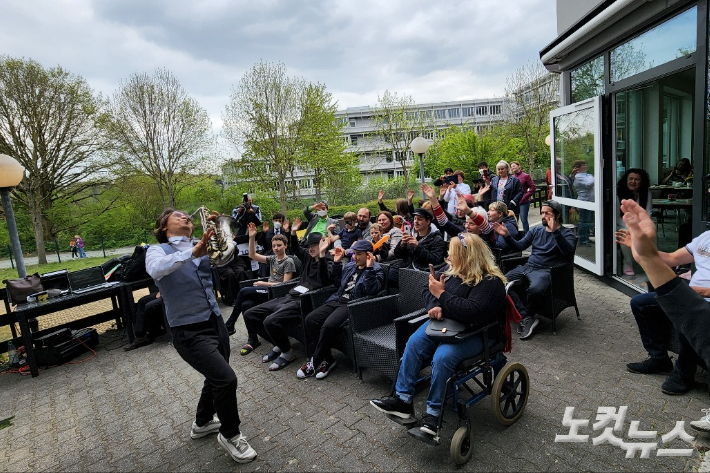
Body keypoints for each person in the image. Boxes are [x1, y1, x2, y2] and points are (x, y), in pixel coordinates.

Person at [145, 208, 257, 463]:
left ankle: (203, 422)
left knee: (217, 374)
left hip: (214, 321)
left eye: (187, 216)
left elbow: (229, 257)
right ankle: (230, 435)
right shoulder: (157, 251)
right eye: (177, 216)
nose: (185, 217)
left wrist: (219, 231)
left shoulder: (202, 245)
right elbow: (156, 271)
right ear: (164, 227)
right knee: (226, 379)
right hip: (187, 329)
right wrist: (192, 253)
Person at [370, 232, 506, 437]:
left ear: (466, 257)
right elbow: (428, 287)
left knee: (442, 357)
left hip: (476, 333)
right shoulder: (452, 272)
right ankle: (403, 400)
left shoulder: (491, 283)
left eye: (451, 254)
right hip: (445, 326)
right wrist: (434, 304)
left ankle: (433, 417)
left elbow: (472, 311)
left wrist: (441, 295)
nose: (447, 258)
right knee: (414, 343)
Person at [616, 197, 710, 433]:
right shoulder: (705, 238)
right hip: (688, 293)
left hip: (702, 299)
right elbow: (671, 259)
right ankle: (659, 358)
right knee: (641, 303)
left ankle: (684, 373)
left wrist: (697, 291)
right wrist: (642, 250)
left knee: (683, 316)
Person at [242, 220, 333, 367]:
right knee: (250, 315)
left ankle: (287, 353)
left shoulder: (328, 261)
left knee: (270, 321)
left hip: (304, 301)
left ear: (322, 245)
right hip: (290, 295)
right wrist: (293, 232)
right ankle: (279, 343)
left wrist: (322, 255)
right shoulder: (308, 257)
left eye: (313, 246)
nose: (310, 249)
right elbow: (296, 248)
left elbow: (323, 279)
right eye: (309, 246)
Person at [297, 240, 384, 380]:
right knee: (310, 320)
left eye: (359, 254)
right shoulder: (350, 265)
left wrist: (368, 269)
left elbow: (372, 291)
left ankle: (314, 361)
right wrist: (337, 264)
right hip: (337, 299)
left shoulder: (376, 270)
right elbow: (338, 284)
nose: (355, 257)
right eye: (354, 253)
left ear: (368, 255)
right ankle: (328, 359)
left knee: (328, 325)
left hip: (352, 304)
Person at [492, 200, 576, 339]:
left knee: (535, 289)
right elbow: (519, 246)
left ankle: (527, 315)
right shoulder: (537, 230)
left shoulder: (566, 234)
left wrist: (556, 233)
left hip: (546, 271)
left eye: (547, 213)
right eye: (542, 213)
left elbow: (568, 251)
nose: (543, 216)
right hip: (528, 267)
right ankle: (526, 317)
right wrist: (507, 236)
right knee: (501, 281)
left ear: (558, 215)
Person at [224, 224, 296, 336]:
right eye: (274, 246)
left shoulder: (288, 261)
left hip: (277, 292)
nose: (276, 248)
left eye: (279, 245)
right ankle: (253, 339)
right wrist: (252, 237)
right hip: (267, 289)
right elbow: (252, 255)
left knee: (244, 291)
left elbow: (285, 284)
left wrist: (264, 283)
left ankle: (230, 323)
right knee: (245, 304)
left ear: (285, 246)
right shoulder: (272, 259)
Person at [617, 168, 652, 276]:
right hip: (621, 223)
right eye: (630, 179)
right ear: (626, 180)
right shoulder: (618, 192)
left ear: (641, 182)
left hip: (639, 224)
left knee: (651, 234)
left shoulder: (646, 192)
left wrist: (642, 227)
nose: (633, 182)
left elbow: (648, 212)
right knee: (625, 233)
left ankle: (649, 263)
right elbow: (616, 216)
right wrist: (630, 228)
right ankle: (628, 264)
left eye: (637, 179)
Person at [392, 207, 446, 272]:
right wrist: (402, 245)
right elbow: (398, 255)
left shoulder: (437, 239)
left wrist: (418, 247)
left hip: (421, 272)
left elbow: (435, 260)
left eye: (419, 219)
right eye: (415, 219)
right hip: (406, 268)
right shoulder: (411, 234)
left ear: (428, 222)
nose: (416, 222)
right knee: (390, 272)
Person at [124, 286, 165, 351]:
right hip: (163, 290)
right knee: (142, 301)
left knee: (149, 306)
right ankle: (141, 335)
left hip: (171, 292)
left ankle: (143, 336)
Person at [570, 160, 595, 247]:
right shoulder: (578, 177)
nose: (586, 166)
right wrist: (596, 177)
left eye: (585, 164)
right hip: (585, 201)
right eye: (583, 165)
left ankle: (586, 238)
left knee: (588, 221)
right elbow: (589, 184)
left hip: (590, 201)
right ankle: (583, 239)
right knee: (584, 221)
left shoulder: (587, 175)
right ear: (578, 168)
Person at [510, 161, 536, 233]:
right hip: (514, 202)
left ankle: (527, 235)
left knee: (523, 219)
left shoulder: (525, 176)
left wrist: (525, 196)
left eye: (514, 166)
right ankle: (515, 235)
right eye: (512, 167)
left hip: (524, 202)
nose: (513, 168)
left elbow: (533, 187)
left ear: (519, 166)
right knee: (514, 220)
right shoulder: (512, 177)